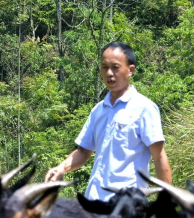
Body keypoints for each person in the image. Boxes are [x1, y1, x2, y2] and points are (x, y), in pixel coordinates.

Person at [44, 42, 172, 199]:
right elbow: (84, 151)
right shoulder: (99, 110)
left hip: (126, 205)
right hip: (94, 201)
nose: (109, 73)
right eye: (104, 67)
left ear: (130, 70)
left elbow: (159, 156)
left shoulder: (144, 108)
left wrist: (166, 203)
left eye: (115, 67)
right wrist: (62, 168)